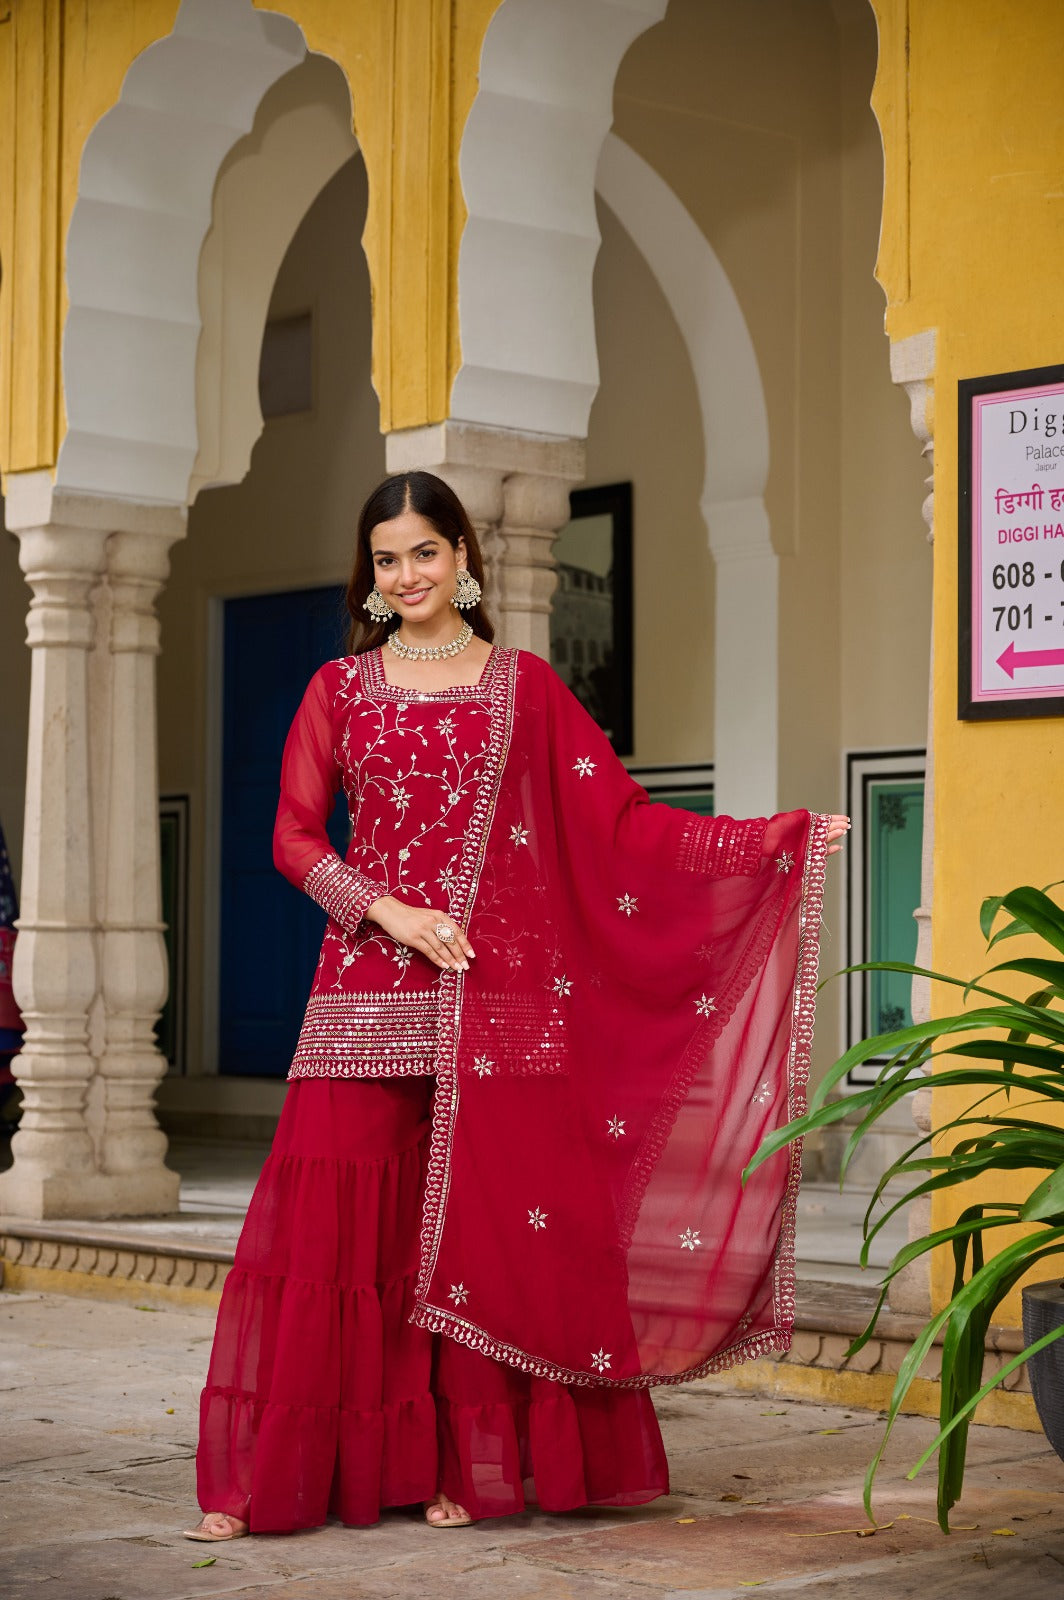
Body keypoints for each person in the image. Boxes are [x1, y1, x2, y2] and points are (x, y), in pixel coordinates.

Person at [185, 470, 849, 1539]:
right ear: (372, 573)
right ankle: (299, 1472)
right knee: (344, 1233)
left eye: (426, 552)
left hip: (498, 1000)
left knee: (487, 1231)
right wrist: (388, 912)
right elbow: (292, 837)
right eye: (388, 557)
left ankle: (469, 1463)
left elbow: (623, 825)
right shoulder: (337, 689)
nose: (407, 575)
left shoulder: (524, 687)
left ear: (464, 557)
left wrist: (770, 841)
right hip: (365, 991)